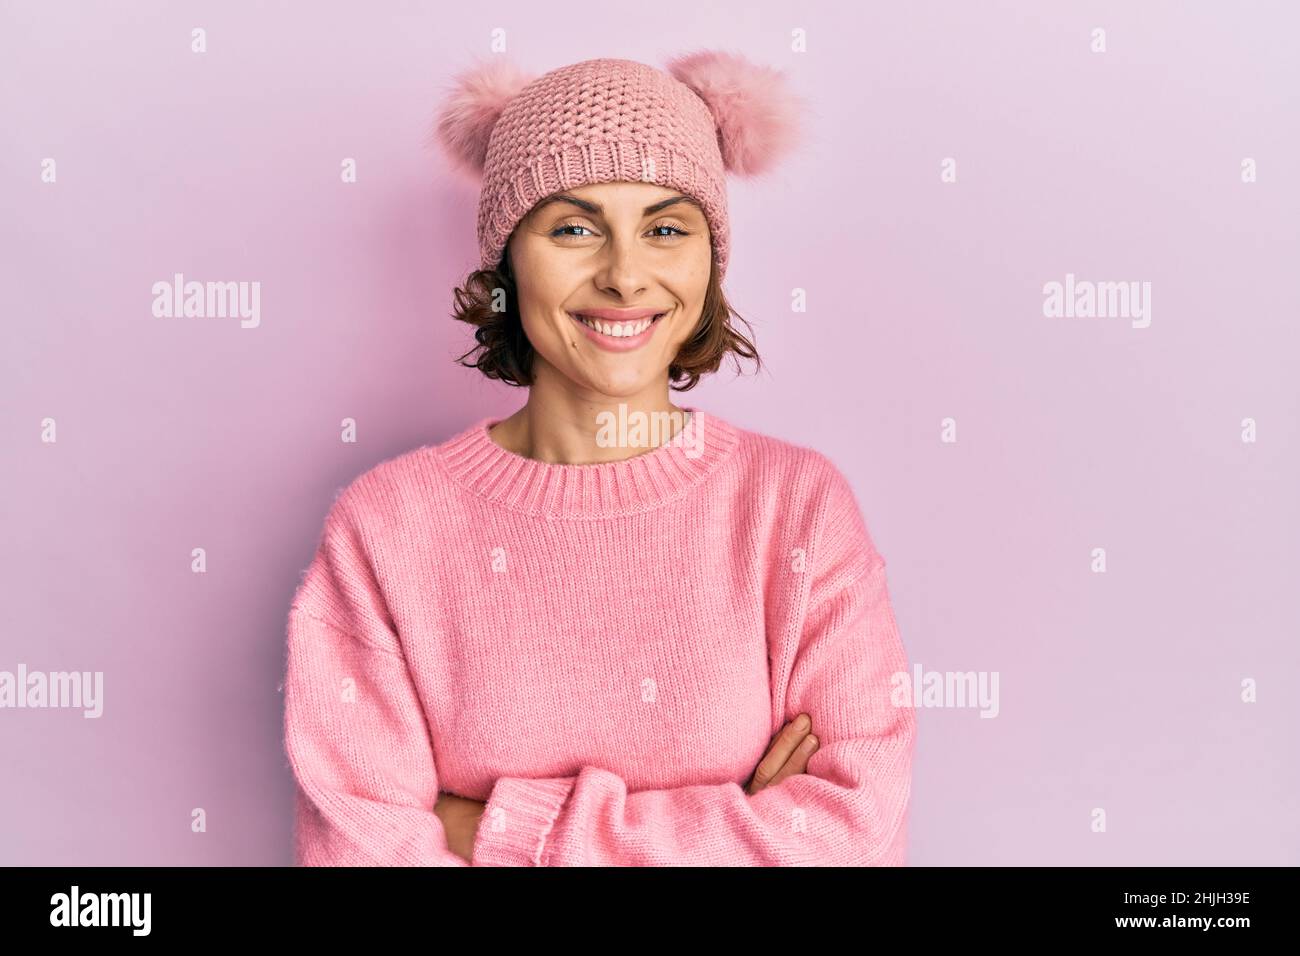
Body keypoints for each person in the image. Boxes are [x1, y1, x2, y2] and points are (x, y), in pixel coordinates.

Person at [282, 52, 916, 866]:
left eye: (665, 229)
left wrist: (501, 831)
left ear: (709, 261)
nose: (624, 275)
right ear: (509, 260)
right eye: (575, 228)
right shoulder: (386, 528)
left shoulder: (796, 507)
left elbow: (852, 838)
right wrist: (737, 830)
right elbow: (358, 854)